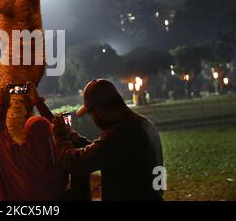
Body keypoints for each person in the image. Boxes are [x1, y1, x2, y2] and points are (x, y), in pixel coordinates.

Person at [35, 79, 164, 201]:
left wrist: (61, 136)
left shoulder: (121, 134)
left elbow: (76, 163)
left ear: (100, 110)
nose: (93, 119)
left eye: (91, 114)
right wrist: (71, 135)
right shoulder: (142, 125)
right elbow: (102, 152)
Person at [0, 86, 67, 201]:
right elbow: (60, 130)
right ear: (51, 134)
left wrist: (3, 104)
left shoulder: (17, 156)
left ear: (27, 134)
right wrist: (38, 102)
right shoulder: (62, 158)